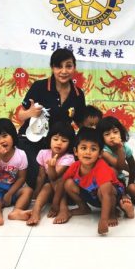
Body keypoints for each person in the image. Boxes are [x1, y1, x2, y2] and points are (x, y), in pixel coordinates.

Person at [15, 48, 86, 188]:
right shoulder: (39, 87)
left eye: (68, 66)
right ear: (52, 68)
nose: (64, 71)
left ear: (74, 68)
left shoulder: (78, 94)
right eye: (59, 66)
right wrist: (30, 113)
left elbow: (81, 124)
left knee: (72, 177)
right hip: (32, 141)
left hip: (60, 144)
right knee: (38, 178)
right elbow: (20, 115)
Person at [52, 127, 131, 235]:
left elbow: (107, 195)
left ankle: (112, 213)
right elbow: (61, 183)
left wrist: (103, 220)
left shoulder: (101, 167)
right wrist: (55, 205)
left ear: (100, 153)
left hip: (112, 196)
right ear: (76, 151)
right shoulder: (75, 166)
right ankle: (84, 208)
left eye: (93, 149)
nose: (87, 152)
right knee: (68, 183)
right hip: (93, 195)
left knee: (105, 189)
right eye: (83, 148)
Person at [0, 118, 32, 225]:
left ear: (13, 135)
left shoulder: (20, 154)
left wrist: (10, 193)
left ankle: (16, 211)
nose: (1, 141)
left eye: (5, 136)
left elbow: (22, 178)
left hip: (11, 188)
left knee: (28, 191)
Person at [29, 122, 75, 226]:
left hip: (65, 192)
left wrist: (51, 167)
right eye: (55, 139)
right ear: (49, 139)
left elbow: (54, 177)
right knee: (46, 185)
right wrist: (36, 193)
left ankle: (63, 209)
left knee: (59, 181)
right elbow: (41, 176)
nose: (59, 143)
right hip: (50, 188)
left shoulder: (69, 158)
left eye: (64, 141)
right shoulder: (43, 153)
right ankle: (35, 211)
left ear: (70, 143)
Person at [99, 115, 135, 187]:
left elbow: (132, 168)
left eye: (115, 132)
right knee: (112, 170)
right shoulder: (103, 150)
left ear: (121, 133)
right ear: (101, 137)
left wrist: (130, 185)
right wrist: (120, 148)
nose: (112, 136)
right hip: (103, 180)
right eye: (107, 134)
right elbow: (119, 167)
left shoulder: (126, 148)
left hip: (118, 179)